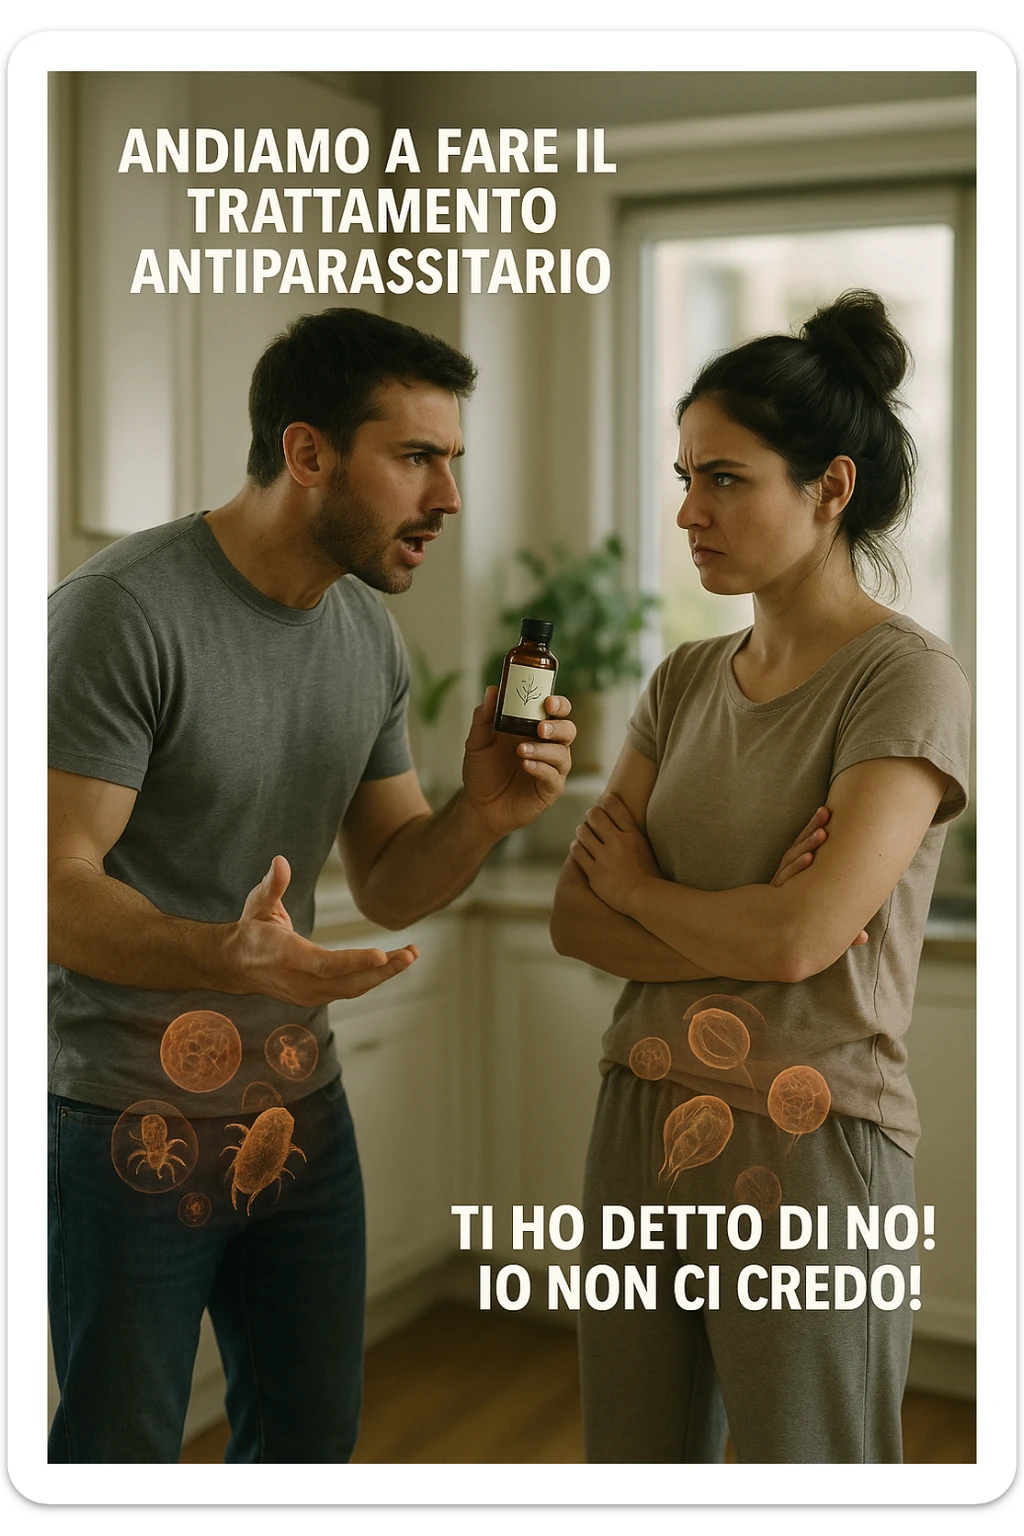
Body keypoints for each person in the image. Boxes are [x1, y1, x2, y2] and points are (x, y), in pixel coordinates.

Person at [47, 306, 576, 1464]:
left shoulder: (365, 640)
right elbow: (48, 889)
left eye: (454, 462)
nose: (447, 499)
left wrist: (484, 812)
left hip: (296, 1114)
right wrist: (214, 957)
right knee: (116, 1450)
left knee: (306, 1445)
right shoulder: (121, 616)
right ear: (307, 453)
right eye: (416, 459)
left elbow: (388, 877)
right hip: (125, 1117)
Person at [550, 290, 972, 1464]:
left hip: (810, 1136)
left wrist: (645, 890)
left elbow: (795, 942)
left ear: (829, 489)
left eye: (724, 479)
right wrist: (743, 916)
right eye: (682, 478)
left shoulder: (906, 683)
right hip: (636, 1111)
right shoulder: (682, 679)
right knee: (634, 1466)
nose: (689, 511)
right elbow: (570, 918)